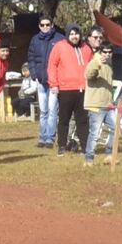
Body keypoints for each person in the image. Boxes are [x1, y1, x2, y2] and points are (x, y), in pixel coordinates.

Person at [47, 23, 93, 156]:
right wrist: (54, 84)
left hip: (82, 89)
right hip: (65, 89)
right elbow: (52, 65)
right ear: (67, 35)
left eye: (76, 34)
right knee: (64, 119)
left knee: (82, 120)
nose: (74, 36)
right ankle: (62, 146)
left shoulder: (86, 48)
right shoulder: (59, 46)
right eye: (71, 34)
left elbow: (92, 66)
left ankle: (85, 147)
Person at [27, 15, 64, 148]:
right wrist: (34, 74)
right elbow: (31, 58)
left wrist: (59, 78)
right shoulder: (35, 40)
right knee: (43, 111)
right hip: (41, 80)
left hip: (54, 82)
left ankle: (50, 139)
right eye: (42, 25)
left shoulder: (60, 39)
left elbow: (63, 59)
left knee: (52, 110)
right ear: (39, 26)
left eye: (47, 24)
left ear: (52, 25)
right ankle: (42, 138)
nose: (45, 27)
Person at [83, 41, 116, 166]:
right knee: (94, 134)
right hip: (96, 105)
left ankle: (109, 155)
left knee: (116, 128)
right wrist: (97, 64)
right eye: (104, 52)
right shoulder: (94, 61)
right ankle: (89, 160)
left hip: (108, 105)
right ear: (100, 52)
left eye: (109, 52)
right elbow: (88, 75)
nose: (107, 54)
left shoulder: (109, 65)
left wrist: (111, 101)